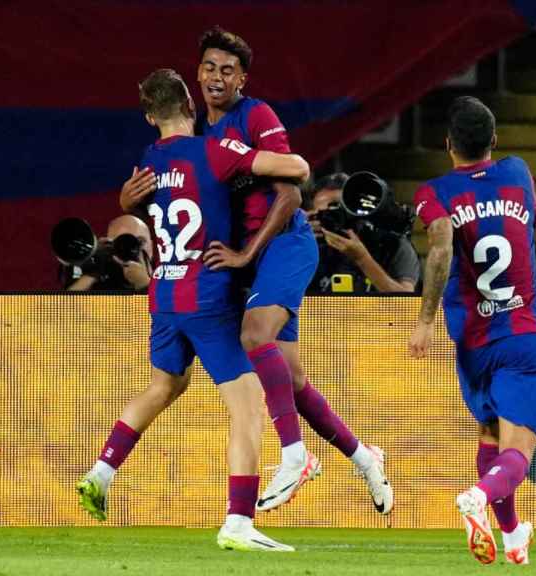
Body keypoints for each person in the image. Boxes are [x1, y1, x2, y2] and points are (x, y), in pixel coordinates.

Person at [120, 26, 392, 515]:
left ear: (242, 79)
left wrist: (246, 257)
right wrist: (128, 198)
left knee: (252, 334)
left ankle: (294, 455)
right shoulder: (199, 137)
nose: (216, 77)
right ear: (196, 75)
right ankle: (363, 456)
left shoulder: (256, 115)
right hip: (249, 256)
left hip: (284, 245)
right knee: (291, 378)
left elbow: (291, 189)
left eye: (228, 69)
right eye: (208, 67)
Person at [78, 68, 310, 551]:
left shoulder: (146, 164)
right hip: (205, 295)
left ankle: (101, 472)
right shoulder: (214, 150)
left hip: (163, 296)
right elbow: (293, 169)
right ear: (189, 101)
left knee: (166, 383)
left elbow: (141, 201)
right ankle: (239, 521)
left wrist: (125, 196)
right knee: (247, 406)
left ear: (148, 116)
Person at [409, 96, 536, 566]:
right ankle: (478, 497)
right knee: (519, 450)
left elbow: (440, 249)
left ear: (447, 143)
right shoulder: (517, 173)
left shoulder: (433, 193)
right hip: (524, 333)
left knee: (490, 432)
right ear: (493, 140)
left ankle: (512, 535)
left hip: (474, 338)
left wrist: (426, 321)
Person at [308, 172, 420, 293]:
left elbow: (405, 304)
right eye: (324, 214)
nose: (333, 218)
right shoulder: (309, 245)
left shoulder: (391, 244)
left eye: (338, 210)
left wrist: (362, 259)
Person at [63, 214, 153, 292]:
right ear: (110, 246)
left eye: (140, 242)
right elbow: (64, 309)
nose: (132, 247)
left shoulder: (166, 278)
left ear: (152, 247)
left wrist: (144, 284)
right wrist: (93, 273)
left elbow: (164, 309)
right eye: (123, 242)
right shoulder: (99, 281)